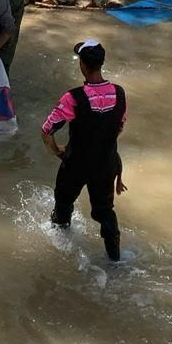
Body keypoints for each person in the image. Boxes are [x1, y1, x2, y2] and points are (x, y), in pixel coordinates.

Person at [41, 40, 126, 262]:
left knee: (63, 202)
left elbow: (47, 129)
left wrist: (58, 152)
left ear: (82, 65)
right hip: (106, 164)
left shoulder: (73, 98)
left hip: (76, 164)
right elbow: (119, 127)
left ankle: (58, 251)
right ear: (101, 63)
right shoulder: (119, 93)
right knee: (105, 211)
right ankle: (115, 259)